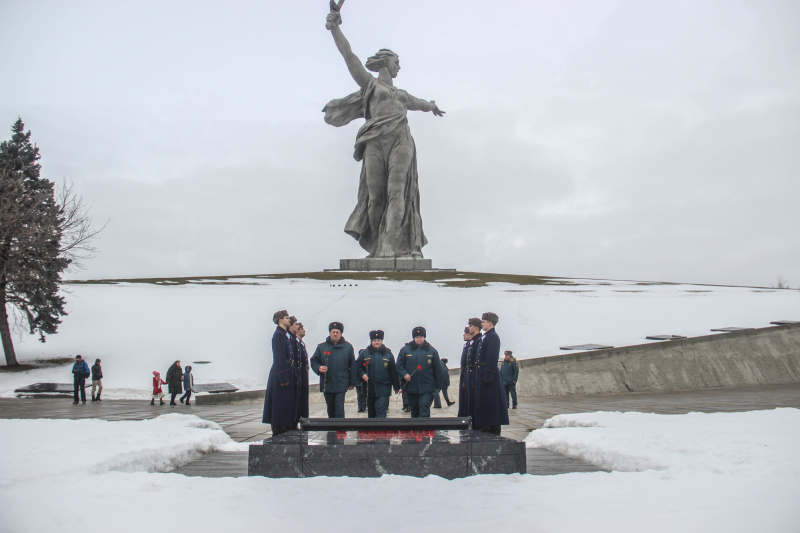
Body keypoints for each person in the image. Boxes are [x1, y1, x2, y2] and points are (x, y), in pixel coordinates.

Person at [323, 4, 445, 259]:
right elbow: (349, 58)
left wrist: (432, 106)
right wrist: (335, 28)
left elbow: (421, 104)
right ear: (386, 63)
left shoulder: (402, 95)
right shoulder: (370, 85)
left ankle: (390, 245)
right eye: (397, 62)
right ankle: (378, 244)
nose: (399, 67)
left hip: (401, 139)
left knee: (397, 192)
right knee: (375, 197)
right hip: (374, 141)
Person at [311, 322, 356, 418]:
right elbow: (314, 361)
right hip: (327, 382)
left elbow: (352, 365)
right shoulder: (321, 347)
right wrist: (318, 368)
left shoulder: (348, 347)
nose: (335, 334)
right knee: (330, 407)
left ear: (341, 334)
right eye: (333, 332)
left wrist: (352, 383)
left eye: (337, 332)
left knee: (339, 406)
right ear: (330, 333)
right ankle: (332, 429)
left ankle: (340, 429)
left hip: (341, 382)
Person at [473, 312, 509, 435]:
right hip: (481, 373)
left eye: (483, 322)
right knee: (483, 403)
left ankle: (492, 430)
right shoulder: (486, 336)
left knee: (490, 404)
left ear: (490, 323)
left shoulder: (492, 336)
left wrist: (488, 376)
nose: (481, 324)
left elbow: (492, 358)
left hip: (488, 375)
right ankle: (485, 427)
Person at [396, 326, 444, 418]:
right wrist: (404, 374)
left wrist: (439, 385)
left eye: (421, 337)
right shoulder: (405, 350)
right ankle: (415, 430)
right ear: (414, 338)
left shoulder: (432, 351)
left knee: (424, 407)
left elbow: (437, 368)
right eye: (417, 337)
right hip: (411, 386)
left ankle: (425, 430)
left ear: (424, 337)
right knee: (414, 409)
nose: (419, 339)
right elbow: (399, 365)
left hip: (427, 386)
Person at [262, 310, 297, 436]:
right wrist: (283, 376)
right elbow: (279, 357)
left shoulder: (285, 334)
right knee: (279, 402)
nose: (289, 320)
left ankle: (285, 425)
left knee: (286, 401)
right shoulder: (278, 335)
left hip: (287, 369)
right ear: (280, 320)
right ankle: (279, 427)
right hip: (280, 371)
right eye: (286, 318)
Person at [356, 330, 400, 418]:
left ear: (382, 341)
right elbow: (357, 366)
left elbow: (393, 371)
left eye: (379, 340)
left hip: (384, 387)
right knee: (371, 412)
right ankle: (372, 430)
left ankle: (382, 430)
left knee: (381, 409)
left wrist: (396, 386)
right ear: (371, 341)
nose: (377, 342)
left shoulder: (388, 354)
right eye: (374, 340)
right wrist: (362, 374)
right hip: (369, 387)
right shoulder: (364, 353)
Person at [457, 319, 481, 419]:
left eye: (470, 326)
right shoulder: (469, 344)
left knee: (471, 401)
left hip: (473, 374)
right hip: (466, 374)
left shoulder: (478, 341)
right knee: (465, 400)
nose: (464, 335)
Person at [295, 321, 310, 422]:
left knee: (304, 397)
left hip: (304, 372)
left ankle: (304, 417)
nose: (304, 331)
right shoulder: (295, 343)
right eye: (301, 329)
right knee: (299, 397)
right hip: (299, 371)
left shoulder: (301, 343)